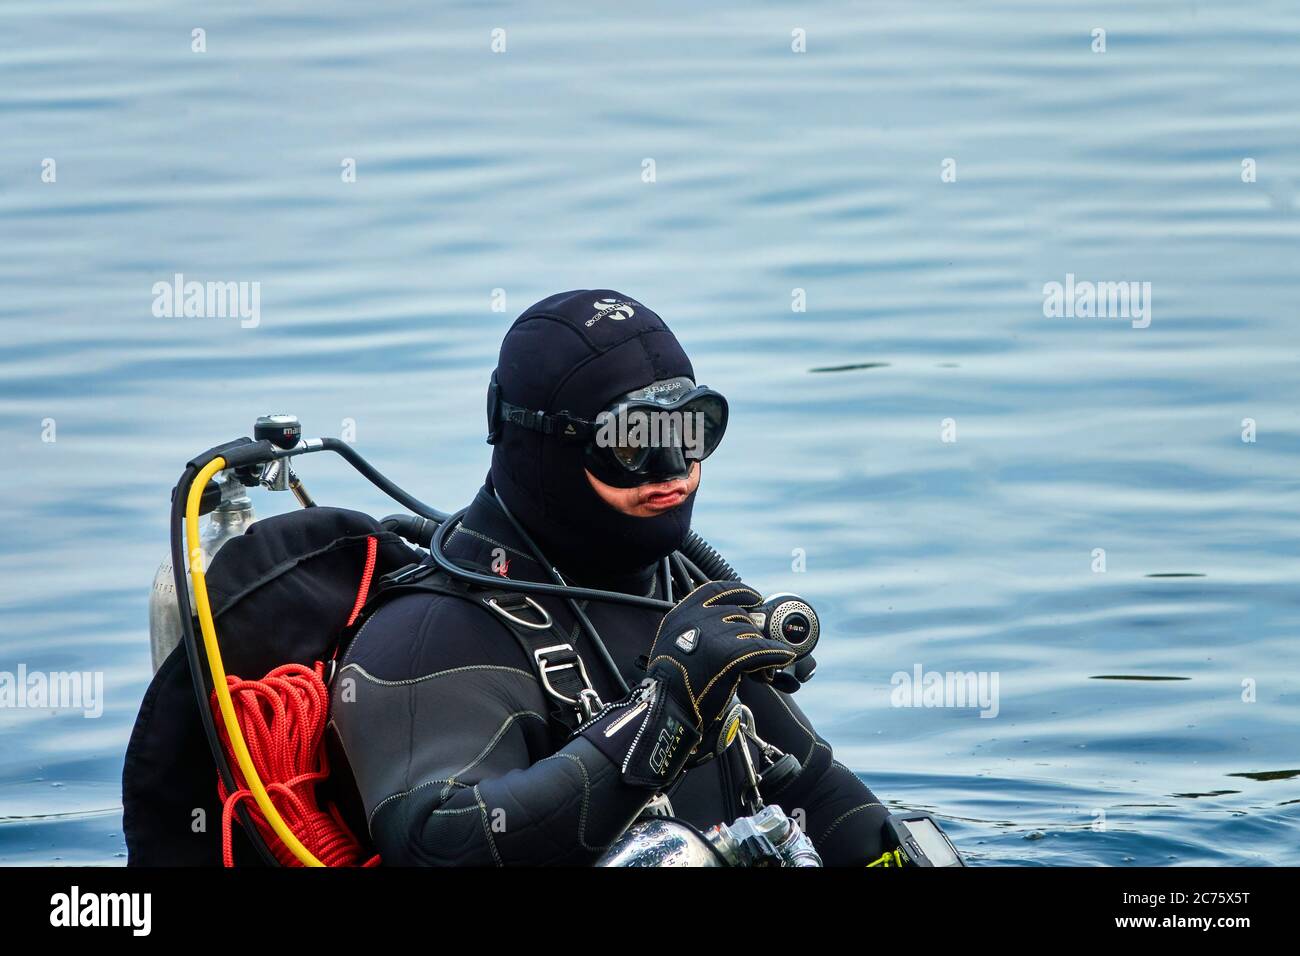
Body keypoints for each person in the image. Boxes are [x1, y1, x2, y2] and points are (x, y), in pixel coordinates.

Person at [329, 289, 890, 865]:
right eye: (632, 441)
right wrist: (664, 713)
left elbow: (818, 794)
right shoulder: (428, 636)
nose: (673, 470)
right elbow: (436, 844)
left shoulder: (681, 591)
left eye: (690, 430)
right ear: (541, 445)